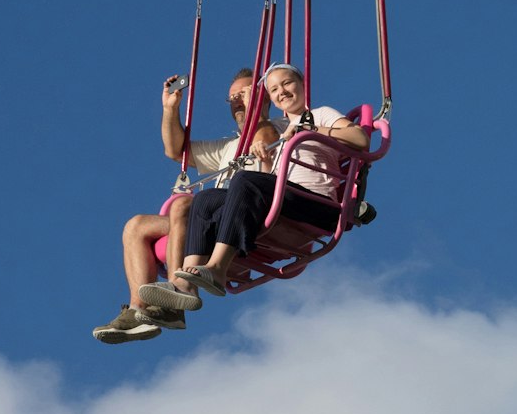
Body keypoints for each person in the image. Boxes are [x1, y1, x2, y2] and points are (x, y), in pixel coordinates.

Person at [139, 63, 370, 310]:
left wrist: (310, 129)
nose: (282, 91)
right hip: (286, 201)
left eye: (287, 83)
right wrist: (268, 159)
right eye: (274, 88)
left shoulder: (318, 115)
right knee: (205, 199)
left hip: (316, 204)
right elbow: (270, 179)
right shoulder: (284, 133)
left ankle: (217, 268)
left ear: (302, 85)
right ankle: (187, 283)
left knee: (244, 180)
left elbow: (360, 139)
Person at [93, 69, 279, 344]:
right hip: (211, 215)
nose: (238, 102)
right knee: (136, 226)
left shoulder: (276, 127)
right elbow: (175, 150)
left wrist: (257, 109)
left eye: (244, 94)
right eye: (232, 99)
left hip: (245, 210)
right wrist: (171, 109)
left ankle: (177, 297)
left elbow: (262, 139)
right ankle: (138, 311)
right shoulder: (227, 146)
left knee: (181, 206)